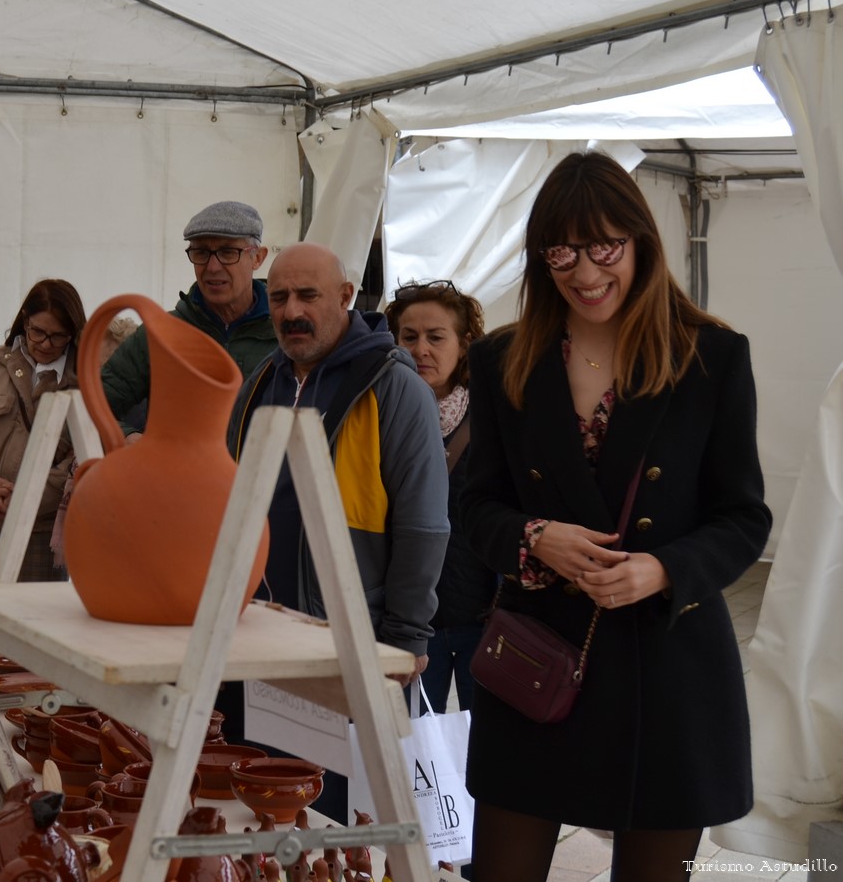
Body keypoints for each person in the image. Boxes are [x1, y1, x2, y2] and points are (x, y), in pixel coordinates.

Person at [460, 152, 771, 882]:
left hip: (666, 672)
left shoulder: (710, 357)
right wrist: (535, 538)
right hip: (535, 663)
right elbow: (474, 504)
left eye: (603, 246)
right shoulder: (503, 359)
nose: (584, 271)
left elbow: (743, 516)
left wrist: (663, 569)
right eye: (561, 251)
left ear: (640, 242)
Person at [222, 243, 449, 822]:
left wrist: (405, 639)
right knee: (265, 812)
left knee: (340, 818)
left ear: (346, 297)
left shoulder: (394, 388)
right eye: (279, 298)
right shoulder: (261, 381)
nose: (291, 311)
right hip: (259, 642)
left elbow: (423, 525)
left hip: (348, 644)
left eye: (308, 295)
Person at [386, 279, 495, 713]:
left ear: (464, 344)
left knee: (482, 742)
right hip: (410, 626)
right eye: (409, 337)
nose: (421, 350)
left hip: (482, 620)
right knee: (411, 744)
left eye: (436, 337)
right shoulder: (380, 415)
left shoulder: (493, 417)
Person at [0, 279, 87, 582]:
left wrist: (24, 498)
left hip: (43, 530)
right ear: (24, 321)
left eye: (57, 336)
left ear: (73, 333)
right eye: (38, 332)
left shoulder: (86, 380)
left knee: (38, 611)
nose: (45, 344)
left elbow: (79, 460)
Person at [100, 200, 273, 435]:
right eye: (201, 252)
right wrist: (127, 438)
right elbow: (93, 405)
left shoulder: (286, 336)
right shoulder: (160, 335)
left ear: (258, 258)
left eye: (227, 252)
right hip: (174, 462)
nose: (213, 267)